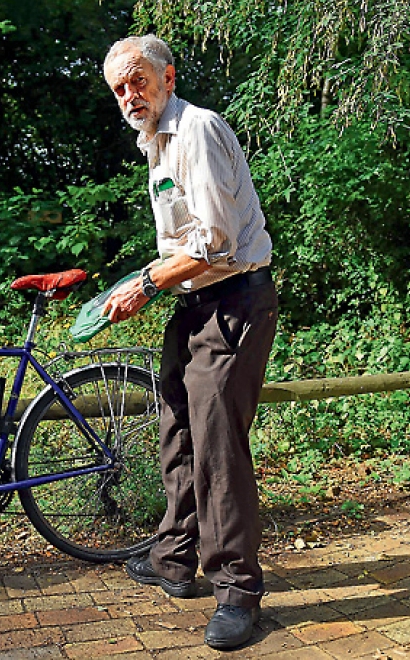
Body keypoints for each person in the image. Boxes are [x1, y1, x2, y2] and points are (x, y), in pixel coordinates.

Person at [101, 34, 278, 650]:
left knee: (217, 444)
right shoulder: (155, 144)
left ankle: (237, 590)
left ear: (168, 77)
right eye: (120, 88)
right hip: (195, 303)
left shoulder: (196, 129)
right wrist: (148, 282)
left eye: (138, 80)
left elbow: (216, 243)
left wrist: (144, 285)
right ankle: (175, 558)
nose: (129, 95)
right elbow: (184, 248)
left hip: (236, 301)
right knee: (176, 425)